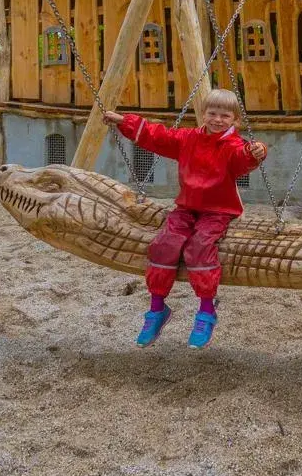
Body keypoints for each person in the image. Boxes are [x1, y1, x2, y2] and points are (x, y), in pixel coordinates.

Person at [102, 88, 267, 349]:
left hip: (219, 210)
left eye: (225, 116)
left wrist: (255, 154)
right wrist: (126, 122)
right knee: (163, 244)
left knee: (199, 247)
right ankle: (157, 309)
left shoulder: (234, 146)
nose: (217, 120)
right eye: (212, 113)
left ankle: (206, 310)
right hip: (187, 207)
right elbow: (159, 136)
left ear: (235, 120)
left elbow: (242, 160)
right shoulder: (188, 139)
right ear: (203, 115)